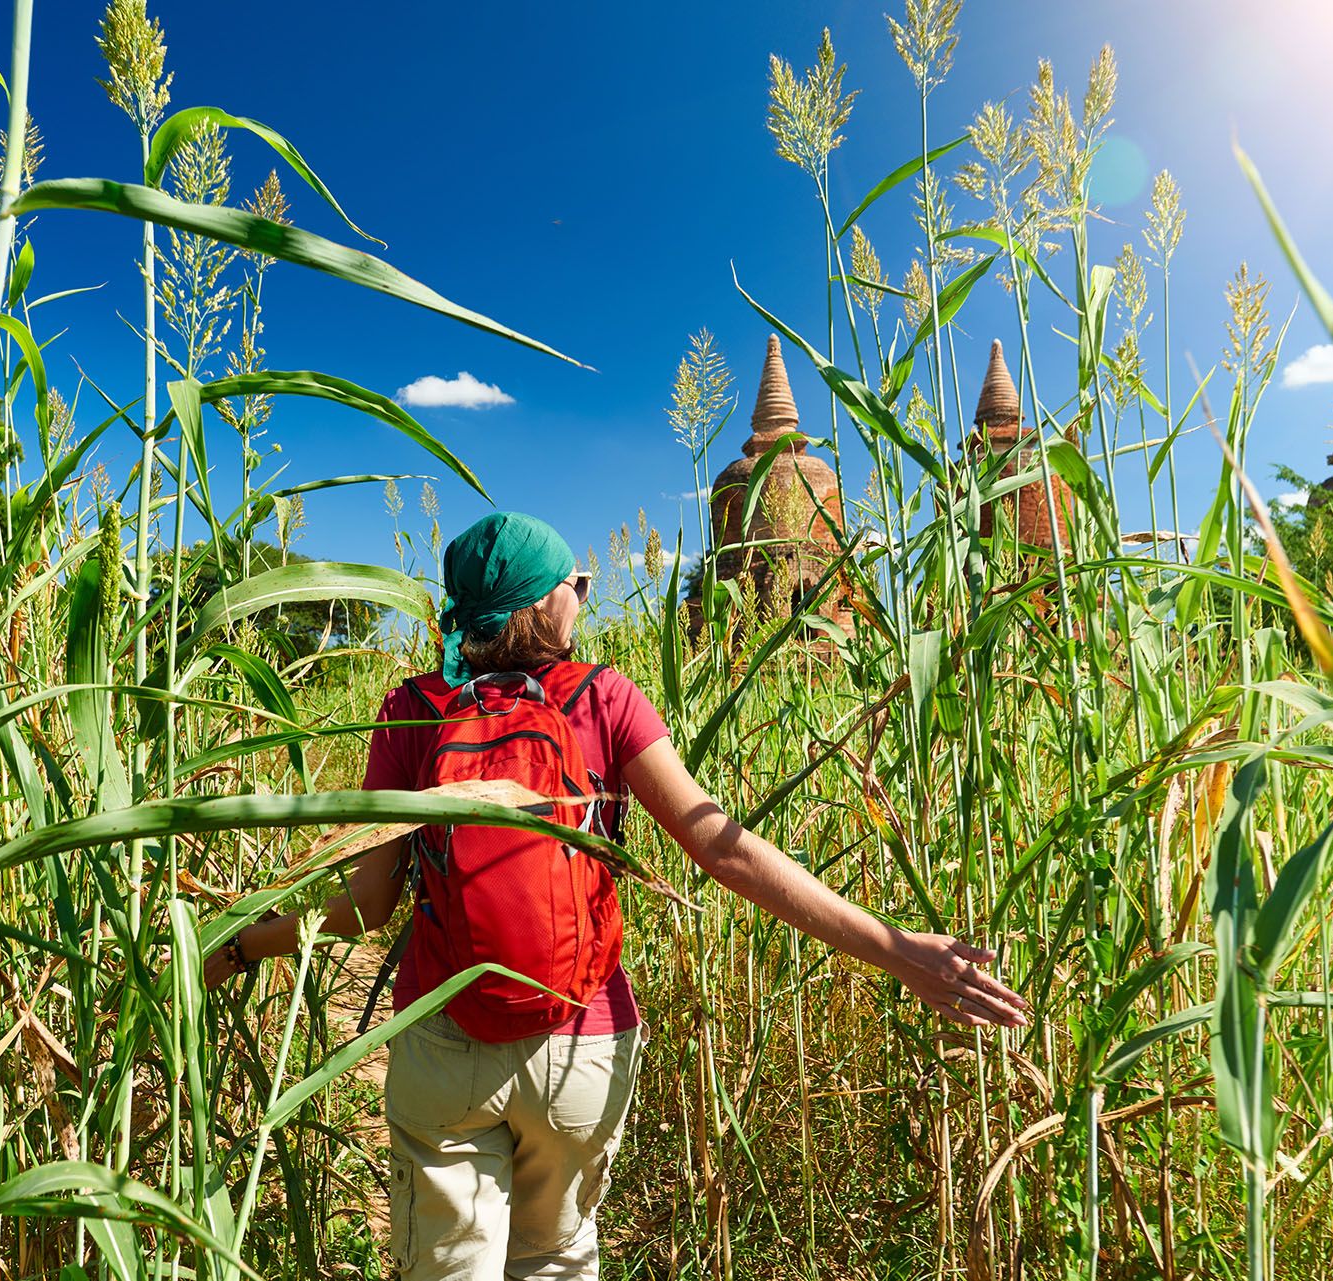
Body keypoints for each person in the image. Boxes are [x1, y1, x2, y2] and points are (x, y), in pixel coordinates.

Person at [204, 511, 1028, 1279]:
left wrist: (240, 943)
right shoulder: (603, 697)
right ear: (542, 603)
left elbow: (365, 906)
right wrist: (900, 951)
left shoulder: (413, 710)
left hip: (445, 1043)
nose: (583, 595)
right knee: (556, 1259)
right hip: (582, 1050)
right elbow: (722, 849)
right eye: (575, 584)